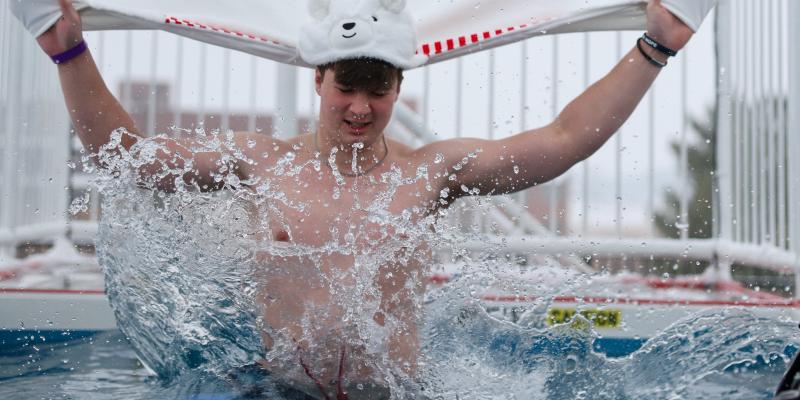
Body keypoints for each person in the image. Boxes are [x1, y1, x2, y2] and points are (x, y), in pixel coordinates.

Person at [35, 0, 693, 398]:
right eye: (347, 85)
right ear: (317, 78)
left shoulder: (430, 173)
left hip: (400, 393)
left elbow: (566, 139)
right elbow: (128, 155)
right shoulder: (261, 165)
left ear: (399, 89)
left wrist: (656, 45)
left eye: (378, 89)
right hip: (274, 390)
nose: (360, 107)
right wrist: (69, 52)